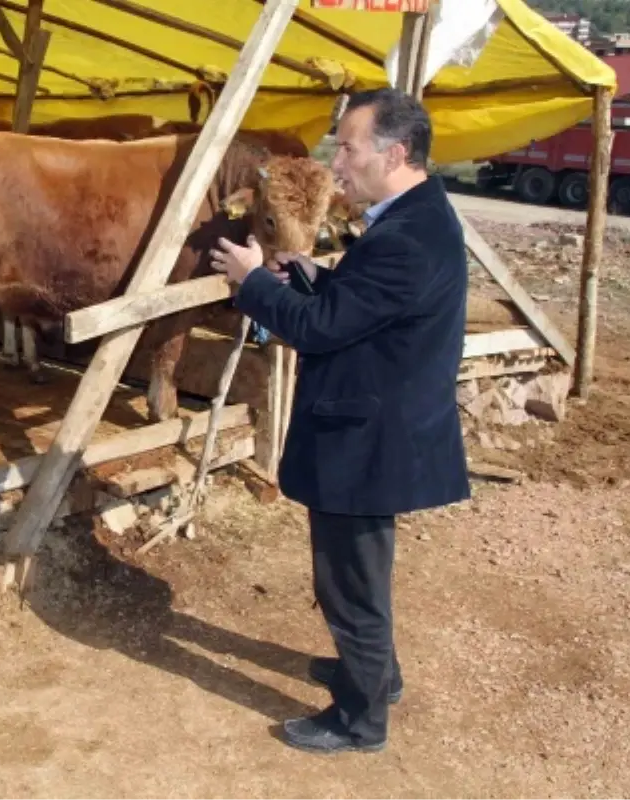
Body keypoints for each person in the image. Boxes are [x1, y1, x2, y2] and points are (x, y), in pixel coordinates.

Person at [209, 88, 470, 754]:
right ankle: (378, 675)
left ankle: (359, 717)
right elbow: (361, 309)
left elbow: (323, 332)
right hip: (379, 425)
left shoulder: (405, 237)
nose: (338, 161)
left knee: (348, 581)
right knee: (362, 571)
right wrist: (308, 273)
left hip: (368, 437)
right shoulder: (416, 217)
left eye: (349, 146)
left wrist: (256, 284)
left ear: (397, 152)